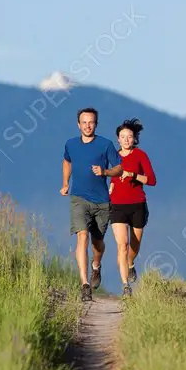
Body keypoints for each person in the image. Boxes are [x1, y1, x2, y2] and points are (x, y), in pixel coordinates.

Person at [61, 107, 123, 301]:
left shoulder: (105, 145)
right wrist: (65, 183)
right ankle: (84, 284)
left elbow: (119, 168)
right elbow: (67, 162)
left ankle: (96, 266)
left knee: (98, 243)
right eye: (84, 122)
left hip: (102, 202)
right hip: (79, 198)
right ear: (78, 124)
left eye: (91, 122)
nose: (88, 126)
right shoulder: (70, 144)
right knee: (82, 236)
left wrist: (105, 172)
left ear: (96, 124)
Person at [108, 118, 156, 298]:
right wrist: (110, 186)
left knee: (134, 246)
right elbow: (110, 174)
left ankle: (130, 263)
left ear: (134, 138)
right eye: (123, 136)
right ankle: (125, 285)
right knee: (123, 245)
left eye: (130, 136)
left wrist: (133, 175)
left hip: (137, 205)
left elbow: (151, 180)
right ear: (118, 139)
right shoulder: (113, 155)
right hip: (117, 206)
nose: (126, 139)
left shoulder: (141, 155)